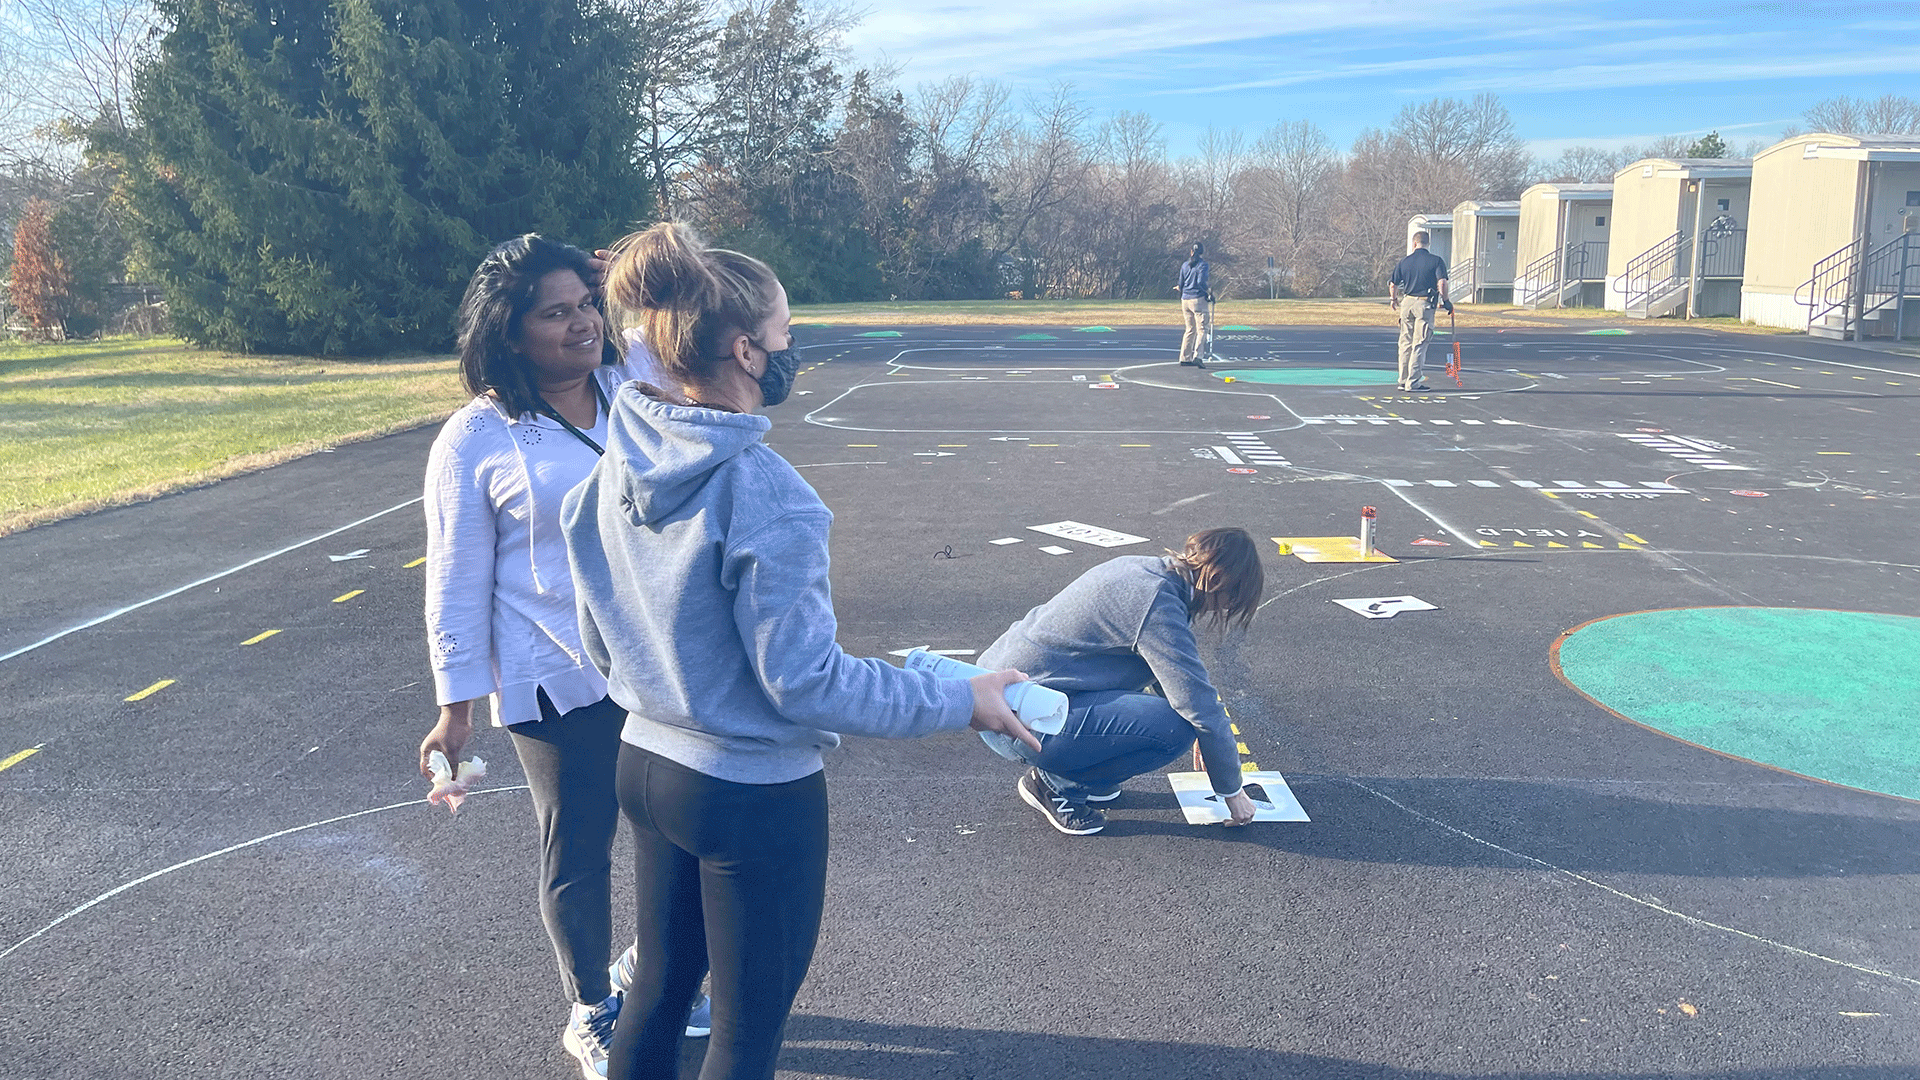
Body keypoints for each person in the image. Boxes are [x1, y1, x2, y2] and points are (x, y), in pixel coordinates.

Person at [561, 221, 1042, 1080]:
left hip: (645, 761)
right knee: (746, 1033)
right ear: (746, 351)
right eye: (787, 334)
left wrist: (660, 686)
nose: (792, 349)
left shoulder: (612, 463)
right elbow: (807, 682)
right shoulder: (764, 491)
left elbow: (596, 629)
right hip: (746, 791)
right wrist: (962, 697)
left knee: (661, 990)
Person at [416, 234, 708, 1080]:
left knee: (679, 825)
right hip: (554, 675)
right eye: (556, 313)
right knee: (579, 845)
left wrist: (635, 258)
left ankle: (650, 969)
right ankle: (591, 1007)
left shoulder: (636, 386)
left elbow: (680, 314)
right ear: (511, 333)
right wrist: (456, 708)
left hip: (652, 659)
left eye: (586, 305)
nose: (582, 324)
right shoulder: (475, 437)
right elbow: (455, 579)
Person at [976, 528, 1265, 836]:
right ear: (1218, 580)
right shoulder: (1157, 604)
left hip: (992, 696)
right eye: (1229, 601)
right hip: (1014, 722)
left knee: (1169, 712)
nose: (1222, 609)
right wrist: (1232, 792)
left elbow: (1169, 672)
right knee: (1174, 729)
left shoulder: (1146, 570)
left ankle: (1083, 775)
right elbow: (1199, 705)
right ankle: (1055, 785)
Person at [1388, 230, 1451, 392]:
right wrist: (1446, 300)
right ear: (1428, 244)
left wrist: (1393, 299)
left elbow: (1393, 284)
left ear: (1414, 243)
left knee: (1405, 342)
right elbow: (1442, 282)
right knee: (1420, 343)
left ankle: (1402, 379)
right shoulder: (1436, 261)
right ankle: (1413, 382)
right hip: (1424, 303)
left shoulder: (1404, 262)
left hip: (1407, 302)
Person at [1176, 242, 1212, 367]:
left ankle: (1185, 357)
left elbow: (1180, 283)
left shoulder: (1185, 265)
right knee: (1202, 329)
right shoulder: (1202, 265)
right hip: (1197, 300)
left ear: (1191, 251)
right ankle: (1198, 356)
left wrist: (1181, 288)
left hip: (1185, 300)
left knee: (1190, 329)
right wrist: (1208, 293)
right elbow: (1201, 282)